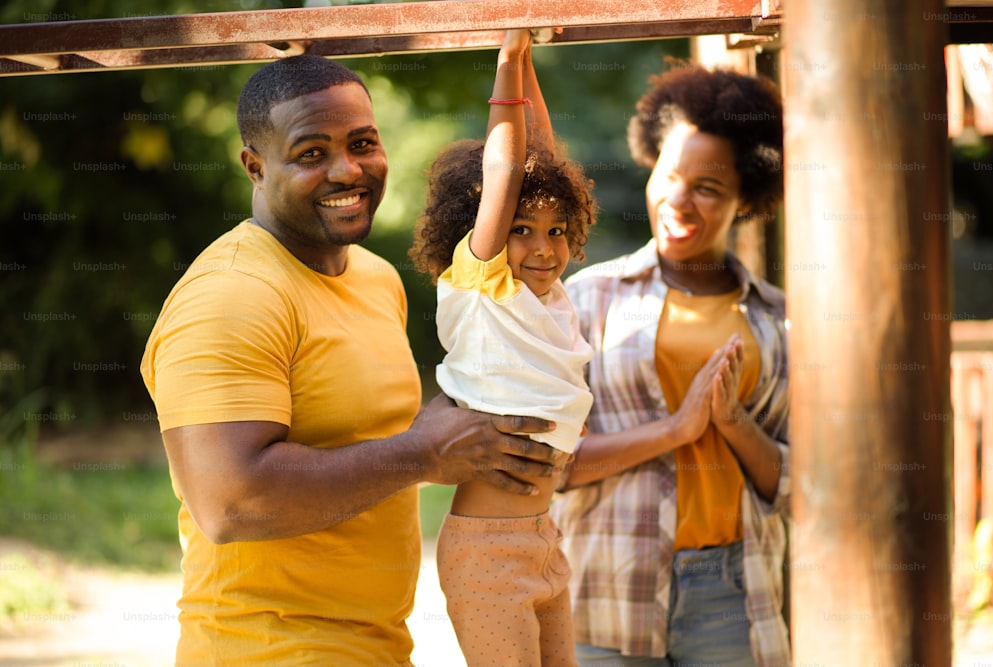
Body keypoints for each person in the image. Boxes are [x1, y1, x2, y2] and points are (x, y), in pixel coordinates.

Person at [139, 54, 564, 666]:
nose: (347, 170)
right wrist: (425, 452)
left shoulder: (375, 278)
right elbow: (230, 501)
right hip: (266, 652)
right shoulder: (230, 296)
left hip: (378, 647)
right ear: (255, 167)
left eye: (362, 143)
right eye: (311, 153)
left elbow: (368, 433)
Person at [550, 63, 791, 667]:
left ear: (745, 201)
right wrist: (677, 429)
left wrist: (732, 421)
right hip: (604, 580)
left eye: (708, 189)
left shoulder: (780, 322)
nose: (678, 200)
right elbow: (550, 466)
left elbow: (798, 483)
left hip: (736, 589)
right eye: (670, 175)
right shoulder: (585, 300)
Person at [408, 29, 596, 667]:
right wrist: (508, 59)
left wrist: (532, 60)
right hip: (487, 555)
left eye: (556, 231)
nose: (543, 249)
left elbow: (542, 157)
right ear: (485, 228)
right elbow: (508, 167)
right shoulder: (482, 282)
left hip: (543, 537)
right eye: (521, 230)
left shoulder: (548, 299)